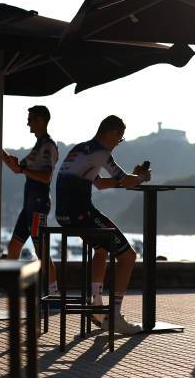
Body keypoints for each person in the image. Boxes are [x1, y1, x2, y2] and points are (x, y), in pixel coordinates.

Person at [55, 115, 150, 335]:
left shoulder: (81, 149)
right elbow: (124, 179)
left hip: (64, 216)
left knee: (101, 249)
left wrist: (133, 177)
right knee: (128, 257)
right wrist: (140, 177)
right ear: (112, 133)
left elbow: (100, 184)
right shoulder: (101, 152)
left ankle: (96, 305)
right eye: (120, 138)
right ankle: (114, 316)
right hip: (82, 214)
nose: (119, 143)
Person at [0, 105, 59, 305]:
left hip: (38, 206)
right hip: (29, 206)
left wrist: (23, 169)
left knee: (41, 251)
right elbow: (16, 168)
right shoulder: (39, 146)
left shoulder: (48, 146)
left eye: (31, 118)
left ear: (42, 120)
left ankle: (53, 295)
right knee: (14, 247)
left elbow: (45, 177)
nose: (28, 123)